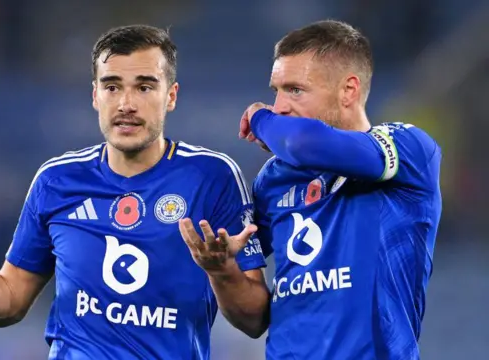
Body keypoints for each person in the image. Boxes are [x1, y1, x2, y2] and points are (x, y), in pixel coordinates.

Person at [0, 25, 267, 359]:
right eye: (112, 87)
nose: (126, 103)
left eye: (144, 87)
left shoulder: (212, 177)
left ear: (172, 96)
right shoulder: (56, 180)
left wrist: (222, 270)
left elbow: (253, 320)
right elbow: (9, 300)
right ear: (95, 95)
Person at [179, 20, 442, 359]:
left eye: (295, 90)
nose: (280, 106)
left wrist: (259, 118)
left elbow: (301, 141)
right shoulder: (275, 180)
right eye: (275, 91)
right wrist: (223, 271)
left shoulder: (408, 150)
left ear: (348, 90)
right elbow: (254, 319)